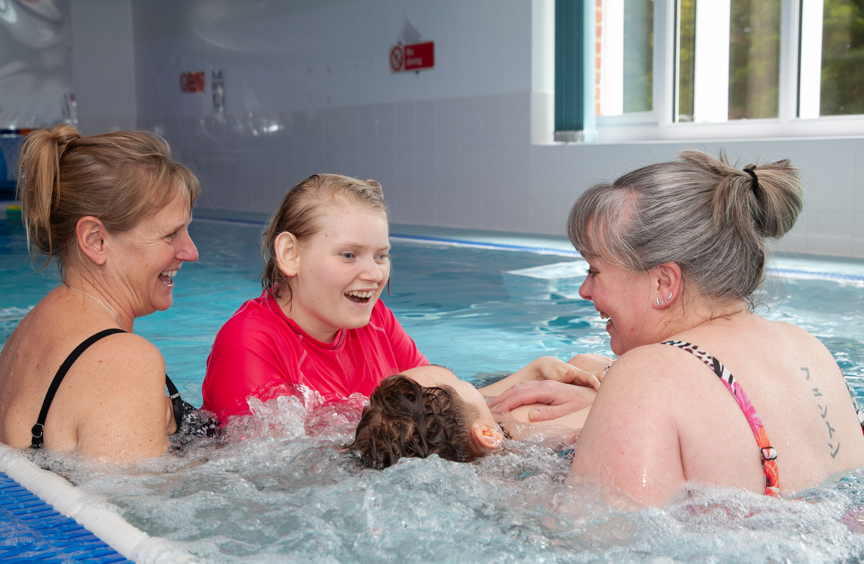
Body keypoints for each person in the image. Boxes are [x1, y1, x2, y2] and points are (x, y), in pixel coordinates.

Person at [490, 151, 864, 506]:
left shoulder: (646, 377)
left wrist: (499, 484)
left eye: (594, 271)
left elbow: (592, 539)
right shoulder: (808, 346)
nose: (584, 290)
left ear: (663, 284)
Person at [202, 174, 587, 424]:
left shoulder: (374, 319)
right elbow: (274, 470)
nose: (374, 274)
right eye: (349, 255)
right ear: (290, 255)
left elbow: (438, 402)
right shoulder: (250, 343)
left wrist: (524, 380)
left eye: (381, 255)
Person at [0, 124, 202, 463]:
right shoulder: (123, 362)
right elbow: (135, 509)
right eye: (170, 235)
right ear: (95, 240)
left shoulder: (28, 332)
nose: (191, 252)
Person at [351, 359, 598, 469]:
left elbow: (480, 404)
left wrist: (537, 367)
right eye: (461, 382)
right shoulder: (535, 433)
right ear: (487, 435)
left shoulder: (471, 432)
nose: (477, 390)